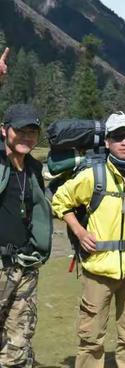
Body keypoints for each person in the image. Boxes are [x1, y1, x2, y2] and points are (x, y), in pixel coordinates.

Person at [51, 112, 125, 368]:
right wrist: (80, 232)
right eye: (118, 137)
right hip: (98, 270)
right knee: (91, 337)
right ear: (107, 142)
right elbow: (60, 201)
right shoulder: (93, 176)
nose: (124, 142)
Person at [0, 47, 53, 367]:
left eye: (32, 131)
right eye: (20, 130)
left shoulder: (33, 169)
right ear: (5, 130)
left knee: (19, 337)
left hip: (25, 265)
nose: (27, 136)